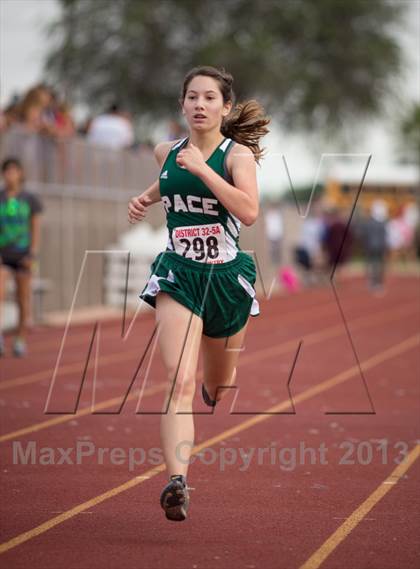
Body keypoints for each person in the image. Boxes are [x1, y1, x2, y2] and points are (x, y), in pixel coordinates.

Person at [127, 65, 269, 521]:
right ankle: (177, 481)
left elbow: (248, 212)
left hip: (226, 279)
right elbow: (172, 178)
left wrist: (204, 170)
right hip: (179, 274)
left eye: (210, 98)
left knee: (218, 384)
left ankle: (214, 389)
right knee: (177, 380)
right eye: (192, 97)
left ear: (225, 108)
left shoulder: (237, 156)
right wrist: (147, 198)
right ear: (182, 104)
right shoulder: (166, 151)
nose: (200, 105)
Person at [0, 158, 43, 357]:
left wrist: (32, 252)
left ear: (20, 174)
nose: (10, 175)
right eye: (7, 171)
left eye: (14, 171)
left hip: (23, 254)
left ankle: (20, 339)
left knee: (22, 298)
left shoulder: (29, 199)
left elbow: (35, 226)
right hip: (3, 254)